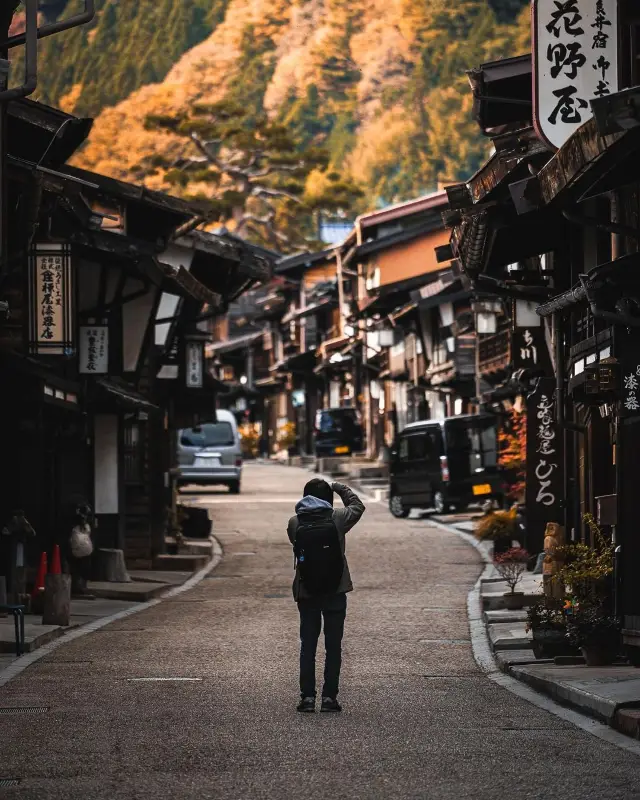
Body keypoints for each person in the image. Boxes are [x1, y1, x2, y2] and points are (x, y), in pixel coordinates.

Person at [287, 478, 365, 713]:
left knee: (308, 646)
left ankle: (308, 698)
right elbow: (358, 506)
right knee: (333, 646)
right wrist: (340, 487)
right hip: (336, 590)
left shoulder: (295, 522)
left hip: (307, 591)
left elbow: (296, 543)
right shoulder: (338, 519)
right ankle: (329, 698)